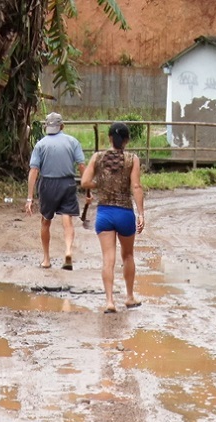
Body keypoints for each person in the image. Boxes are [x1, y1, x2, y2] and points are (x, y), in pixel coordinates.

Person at [80, 122, 145, 313]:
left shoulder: (98, 157)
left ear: (109, 138)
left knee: (108, 259)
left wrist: (101, 184)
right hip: (124, 212)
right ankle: (130, 297)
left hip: (105, 214)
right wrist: (141, 214)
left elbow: (85, 182)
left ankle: (109, 301)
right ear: (126, 140)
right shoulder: (132, 159)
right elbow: (136, 187)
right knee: (128, 255)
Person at [26, 112, 88, 270]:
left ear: (47, 127)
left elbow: (34, 171)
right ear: (62, 126)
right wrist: (87, 189)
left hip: (47, 185)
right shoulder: (72, 142)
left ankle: (46, 259)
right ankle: (67, 251)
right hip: (67, 183)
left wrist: (29, 198)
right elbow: (82, 166)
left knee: (46, 221)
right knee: (67, 221)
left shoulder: (40, 145)